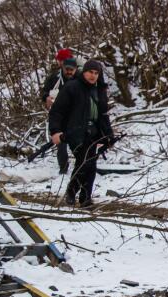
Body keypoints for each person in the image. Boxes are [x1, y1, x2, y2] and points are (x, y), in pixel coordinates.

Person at [48, 60, 113, 206]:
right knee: (84, 162)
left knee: (91, 164)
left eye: (96, 73)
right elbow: (56, 112)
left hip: (94, 132)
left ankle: (85, 198)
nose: (93, 76)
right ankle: (72, 192)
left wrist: (109, 135)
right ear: (84, 72)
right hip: (75, 132)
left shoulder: (100, 90)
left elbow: (103, 114)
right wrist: (55, 131)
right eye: (90, 72)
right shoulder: (72, 87)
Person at [39, 49, 78, 174]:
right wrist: (46, 98)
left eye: (61, 60)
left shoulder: (79, 76)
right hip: (59, 114)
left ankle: (82, 165)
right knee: (60, 142)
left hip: (75, 114)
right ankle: (63, 168)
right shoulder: (54, 77)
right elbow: (44, 91)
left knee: (78, 141)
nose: (60, 63)